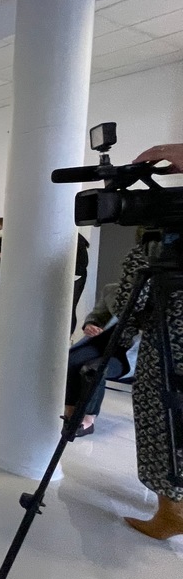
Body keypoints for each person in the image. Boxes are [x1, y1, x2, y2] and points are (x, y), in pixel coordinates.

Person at [109, 223, 183, 539]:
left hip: (168, 351)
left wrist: (119, 343)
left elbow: (130, 302)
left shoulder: (154, 246)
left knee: (161, 424)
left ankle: (171, 512)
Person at [63, 283, 139, 437]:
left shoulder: (157, 298)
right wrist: (91, 325)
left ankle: (88, 419)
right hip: (102, 344)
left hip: (127, 354)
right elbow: (97, 316)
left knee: (95, 370)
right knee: (72, 360)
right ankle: (70, 412)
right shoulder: (112, 290)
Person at [71, 234, 90, 334]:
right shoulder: (76, 237)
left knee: (69, 309)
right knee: (70, 309)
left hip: (76, 274)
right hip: (77, 274)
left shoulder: (74, 238)